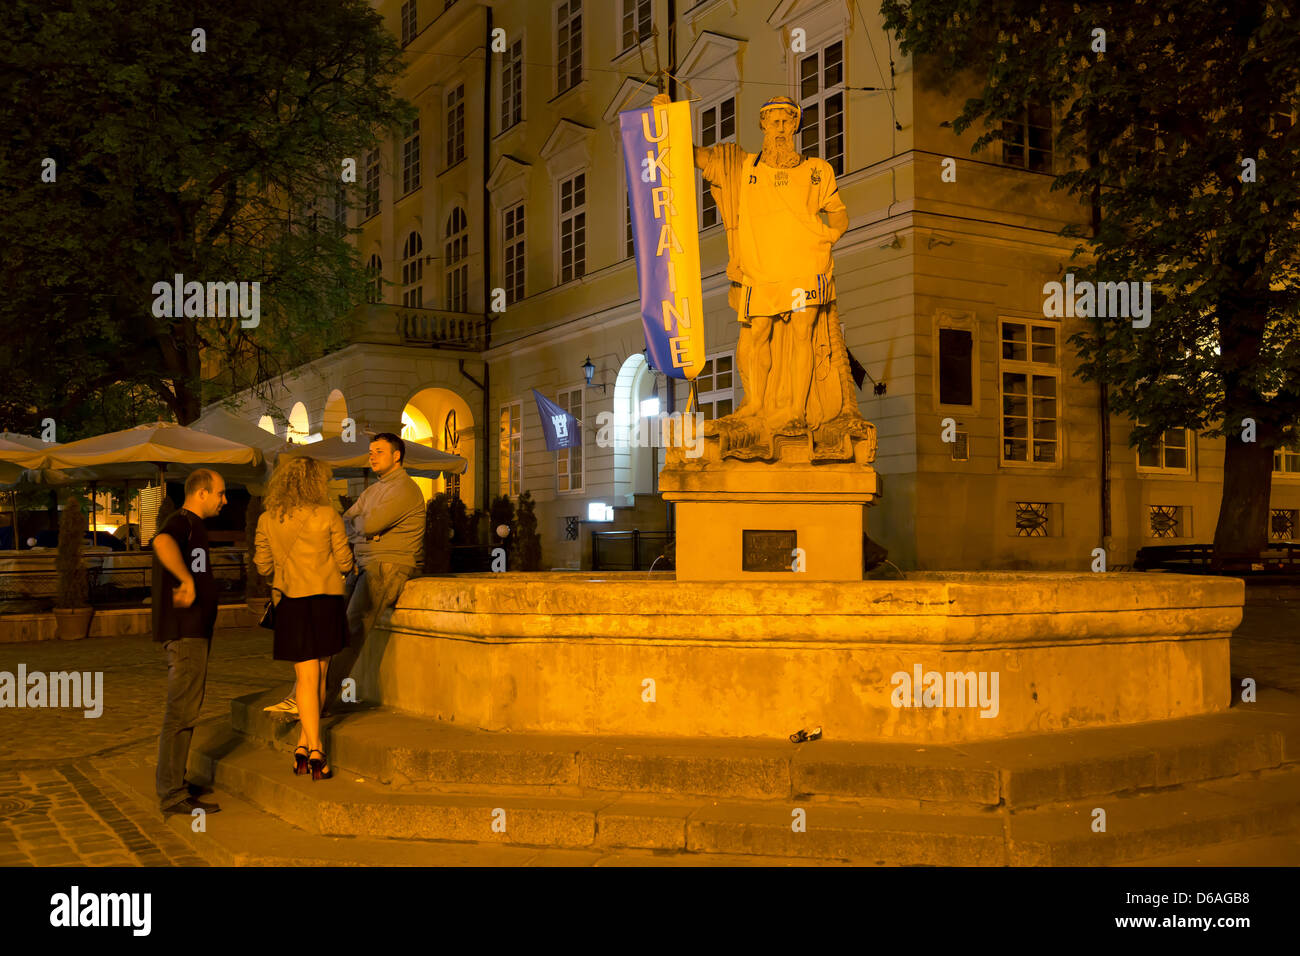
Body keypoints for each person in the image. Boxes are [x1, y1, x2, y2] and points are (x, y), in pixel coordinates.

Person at [692, 94, 869, 458]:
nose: (780, 127)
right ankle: (756, 403)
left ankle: (796, 411)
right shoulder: (743, 167)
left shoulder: (816, 170)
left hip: (806, 269)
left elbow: (839, 217)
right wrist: (665, 121)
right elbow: (699, 158)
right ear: (762, 125)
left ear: (795, 127)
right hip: (762, 268)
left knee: (803, 333)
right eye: (773, 120)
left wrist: (823, 239)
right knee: (758, 331)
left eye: (787, 121)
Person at [254, 457, 353, 780]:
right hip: (325, 599)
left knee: (309, 678)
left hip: (291, 603)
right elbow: (345, 562)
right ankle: (316, 750)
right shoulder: (327, 515)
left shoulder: (267, 519)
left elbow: (263, 567)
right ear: (316, 482)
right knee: (320, 675)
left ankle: (302, 745)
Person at [325, 433, 424, 713]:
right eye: (371, 452)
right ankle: (308, 693)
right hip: (364, 562)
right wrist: (364, 529)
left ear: (397, 456)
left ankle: (321, 698)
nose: (372, 456)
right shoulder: (374, 490)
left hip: (387, 565)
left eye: (379, 451)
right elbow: (346, 521)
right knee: (331, 625)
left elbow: (368, 524)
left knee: (350, 630)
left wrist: (364, 528)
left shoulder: (404, 488)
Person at [153, 469, 227, 816]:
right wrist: (185, 579)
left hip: (194, 630)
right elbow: (161, 542)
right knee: (180, 713)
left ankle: (174, 782)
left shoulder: (195, 527)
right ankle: (171, 792)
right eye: (220, 494)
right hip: (186, 631)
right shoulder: (182, 522)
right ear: (202, 493)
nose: (224, 501)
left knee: (185, 711)